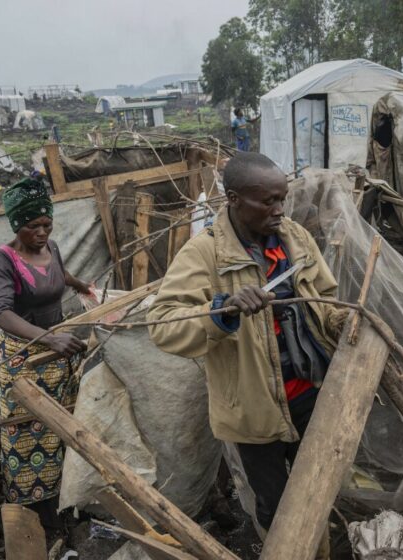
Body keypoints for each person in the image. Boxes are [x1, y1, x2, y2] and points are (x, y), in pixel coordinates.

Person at [148, 152, 348, 558]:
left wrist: (339, 322)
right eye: (267, 201)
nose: (278, 210)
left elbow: (324, 297)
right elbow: (163, 325)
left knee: (324, 491)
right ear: (234, 199)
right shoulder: (205, 254)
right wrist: (222, 311)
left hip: (311, 393)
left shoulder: (293, 238)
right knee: (277, 508)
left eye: (282, 198)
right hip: (255, 413)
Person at [0, 178, 91, 526]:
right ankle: (35, 514)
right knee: (30, 433)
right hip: (24, 361)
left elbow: (61, 273)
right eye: (34, 226)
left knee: (66, 425)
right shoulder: (3, 259)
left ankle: (67, 496)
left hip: (57, 353)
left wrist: (84, 288)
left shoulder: (53, 248)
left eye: (47, 224)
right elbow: (1, 313)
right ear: (18, 225)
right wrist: (47, 339)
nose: (43, 233)